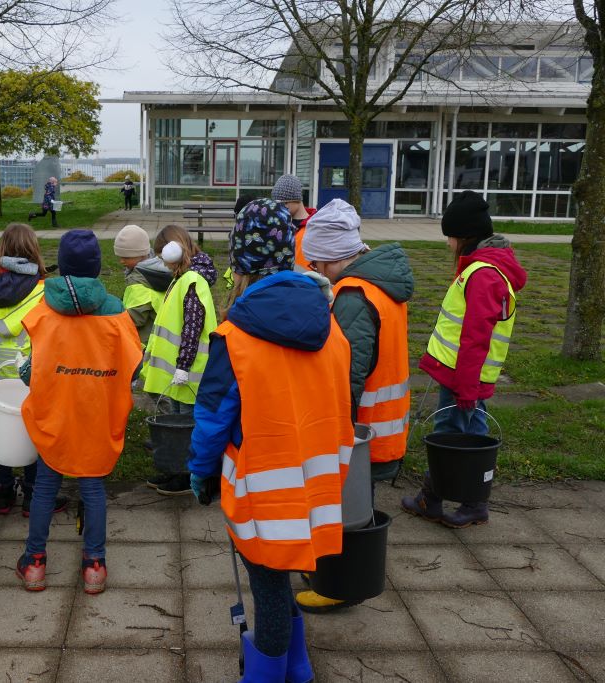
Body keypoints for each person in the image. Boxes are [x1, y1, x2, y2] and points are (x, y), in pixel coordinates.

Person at [188, 198, 354, 683]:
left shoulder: (235, 336)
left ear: (237, 261)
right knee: (282, 581)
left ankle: (266, 674)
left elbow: (212, 419)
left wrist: (200, 474)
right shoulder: (331, 326)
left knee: (268, 586)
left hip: (263, 490)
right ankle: (297, 668)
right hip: (319, 484)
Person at [295, 198, 415, 614]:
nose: (315, 269)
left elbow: (348, 373)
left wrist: (333, 429)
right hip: (384, 422)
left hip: (360, 429)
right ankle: (339, 574)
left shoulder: (354, 297)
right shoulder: (381, 286)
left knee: (346, 511)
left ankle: (339, 585)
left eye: (318, 262)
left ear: (332, 257)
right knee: (356, 507)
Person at [15, 230, 143, 595]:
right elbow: (133, 365)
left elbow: (30, 370)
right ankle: (94, 566)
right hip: (96, 414)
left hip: (55, 414)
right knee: (93, 487)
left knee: (44, 487)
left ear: (63, 264)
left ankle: (35, 564)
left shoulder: (43, 309)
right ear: (98, 268)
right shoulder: (116, 310)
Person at [402, 190, 527, 529]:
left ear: (467, 237)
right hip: (458, 374)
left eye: (451, 237)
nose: (447, 244)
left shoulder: (484, 275)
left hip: (464, 377)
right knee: (451, 431)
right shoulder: (480, 269)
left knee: (466, 434)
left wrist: (467, 389)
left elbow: (476, 338)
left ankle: (471, 502)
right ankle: (435, 496)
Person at [0, 223, 66, 516]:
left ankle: (1, 493)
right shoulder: (43, 291)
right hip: (32, 374)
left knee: (2, 430)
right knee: (35, 433)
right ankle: (33, 495)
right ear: (33, 250)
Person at [141, 224, 218, 495]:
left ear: (174, 250)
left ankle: (186, 477)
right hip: (177, 372)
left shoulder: (192, 281)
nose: (161, 260)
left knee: (186, 430)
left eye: (162, 253)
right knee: (177, 427)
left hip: (187, 373)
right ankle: (176, 472)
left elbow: (192, 327)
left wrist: (183, 366)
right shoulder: (183, 277)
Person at [113, 224, 171, 345]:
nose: (121, 261)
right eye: (120, 256)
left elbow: (135, 318)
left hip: (143, 343)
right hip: (159, 338)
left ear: (141, 254)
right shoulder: (159, 268)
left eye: (126, 257)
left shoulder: (139, 281)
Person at [271, 174, 317, 271]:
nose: (281, 208)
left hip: (308, 281)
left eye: (285, 203)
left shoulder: (316, 226)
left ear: (297, 200)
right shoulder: (277, 225)